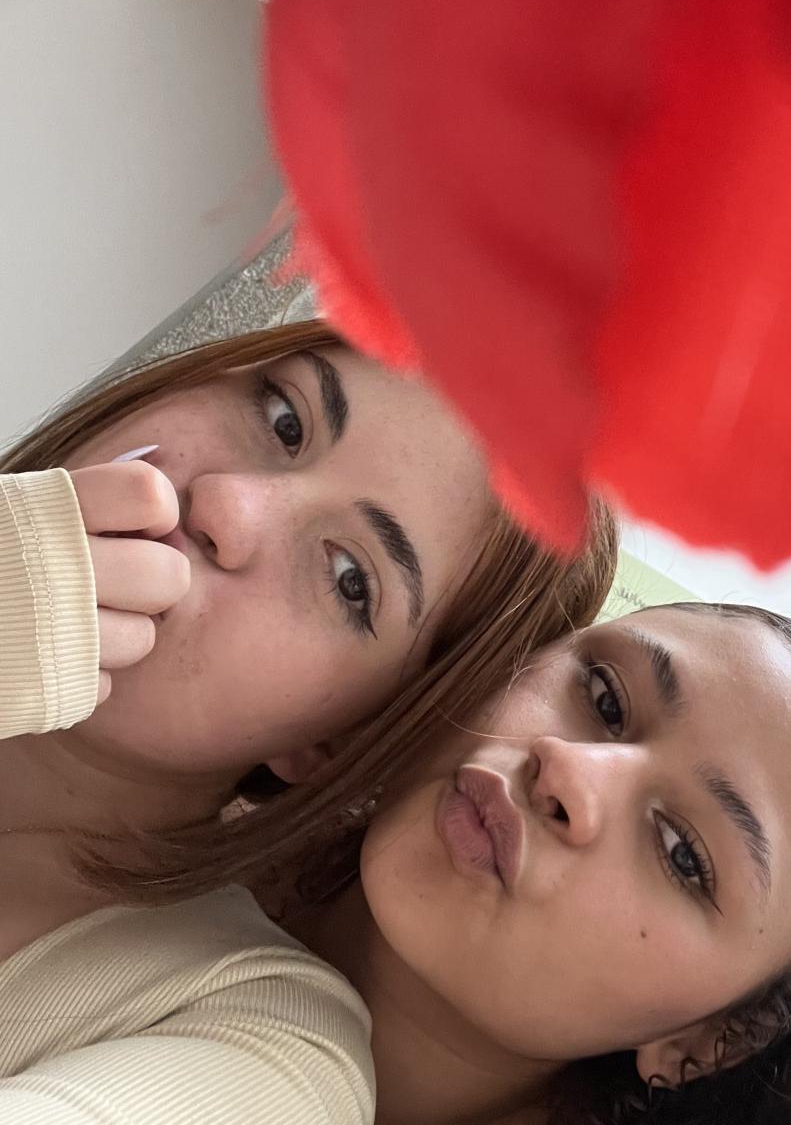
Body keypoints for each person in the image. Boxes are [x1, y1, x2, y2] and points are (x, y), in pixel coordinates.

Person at [1, 597, 791, 1125]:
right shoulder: (150, 781)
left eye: (683, 854)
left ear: (714, 1040)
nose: (570, 772)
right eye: (604, 699)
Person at [0, 316, 617, 950]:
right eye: (285, 421)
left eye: (350, 580)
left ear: (337, 743)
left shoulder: (227, 1000)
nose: (227, 506)